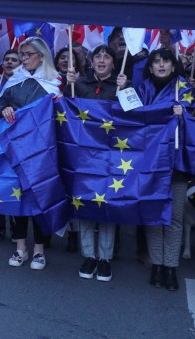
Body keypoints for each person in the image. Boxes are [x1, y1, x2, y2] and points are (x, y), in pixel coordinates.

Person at [0, 37, 62, 270]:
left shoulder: (55, 82)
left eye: (28, 54)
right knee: (19, 198)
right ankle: (20, 247)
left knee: (39, 198)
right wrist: (4, 108)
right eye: (22, 54)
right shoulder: (16, 80)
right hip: (15, 148)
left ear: (41, 56)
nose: (23, 59)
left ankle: (40, 250)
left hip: (43, 149)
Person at [65, 45, 128, 282]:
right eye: (98, 56)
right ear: (91, 62)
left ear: (114, 62)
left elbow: (135, 113)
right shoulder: (79, 85)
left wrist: (127, 89)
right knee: (85, 203)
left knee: (107, 204)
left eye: (107, 57)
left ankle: (105, 258)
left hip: (112, 154)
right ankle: (89, 255)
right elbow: (65, 112)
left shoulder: (122, 85)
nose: (102, 60)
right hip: (84, 154)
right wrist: (67, 84)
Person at [136, 48, 192, 291]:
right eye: (156, 62)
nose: (161, 65)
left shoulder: (185, 89)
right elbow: (129, 116)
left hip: (175, 163)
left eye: (166, 61)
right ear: (150, 68)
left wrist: (185, 115)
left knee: (175, 218)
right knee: (153, 215)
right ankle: (156, 264)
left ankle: (171, 267)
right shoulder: (141, 89)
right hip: (148, 162)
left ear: (173, 65)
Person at [0, 49, 21, 242]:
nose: (9, 62)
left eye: (14, 60)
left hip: (17, 138)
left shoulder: (23, 83)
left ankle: (17, 225)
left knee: (14, 181)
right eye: (6, 59)